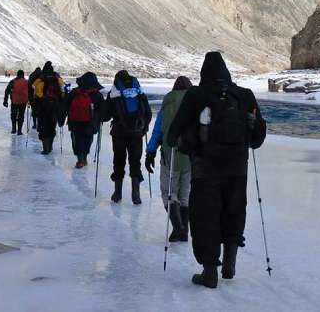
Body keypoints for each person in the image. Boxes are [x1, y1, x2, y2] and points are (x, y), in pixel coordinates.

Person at [167, 52, 266, 289]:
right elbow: (257, 138)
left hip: (205, 168)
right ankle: (230, 261)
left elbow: (173, 134)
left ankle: (210, 270)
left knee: (205, 217)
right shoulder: (244, 95)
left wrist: (181, 142)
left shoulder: (196, 95)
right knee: (233, 211)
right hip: (237, 168)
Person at [145, 76, 193, 242]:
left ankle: (178, 228)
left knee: (169, 193)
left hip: (170, 154)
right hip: (190, 156)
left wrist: (150, 152)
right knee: (185, 194)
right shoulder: (195, 102)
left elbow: (158, 131)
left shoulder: (167, 103)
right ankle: (184, 230)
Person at [103, 70, 152, 205]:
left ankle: (117, 193)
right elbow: (148, 113)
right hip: (136, 134)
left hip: (119, 133)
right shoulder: (140, 93)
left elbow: (106, 115)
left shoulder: (114, 94)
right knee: (135, 161)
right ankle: (135, 193)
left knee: (119, 161)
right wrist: (144, 128)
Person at [62, 72, 105, 169]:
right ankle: (84, 158)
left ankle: (80, 159)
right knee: (87, 139)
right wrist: (101, 118)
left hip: (75, 121)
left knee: (77, 139)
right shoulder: (97, 94)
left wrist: (62, 117)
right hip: (91, 122)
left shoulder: (74, 92)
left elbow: (65, 104)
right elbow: (102, 109)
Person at [32, 61, 65, 155]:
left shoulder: (41, 78)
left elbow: (34, 88)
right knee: (51, 126)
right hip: (55, 106)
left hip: (43, 106)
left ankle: (45, 148)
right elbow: (62, 90)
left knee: (43, 127)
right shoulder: (57, 77)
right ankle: (50, 146)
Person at [3, 70, 30, 135]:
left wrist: (5, 101)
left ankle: (13, 129)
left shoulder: (13, 81)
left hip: (14, 101)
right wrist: (30, 101)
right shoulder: (27, 82)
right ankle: (19, 130)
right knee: (21, 115)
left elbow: (7, 91)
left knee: (13, 115)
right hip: (23, 101)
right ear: (23, 75)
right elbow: (30, 92)